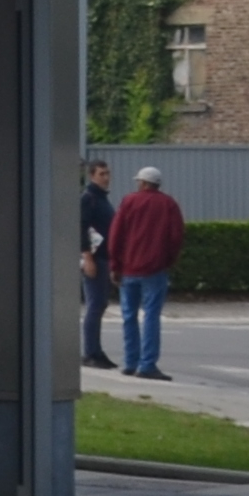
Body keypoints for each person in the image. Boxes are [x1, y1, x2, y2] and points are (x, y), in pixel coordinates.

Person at [104, 162, 187, 380]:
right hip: (155, 270)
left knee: (128, 316)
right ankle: (147, 364)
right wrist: (167, 261)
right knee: (151, 315)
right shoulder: (169, 204)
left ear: (142, 183)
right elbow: (176, 237)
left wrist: (115, 264)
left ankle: (130, 362)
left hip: (129, 269)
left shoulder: (129, 201)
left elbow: (116, 235)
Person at [79, 157, 117, 368]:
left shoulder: (102, 199)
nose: (106, 178)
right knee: (95, 305)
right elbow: (81, 227)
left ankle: (97, 350)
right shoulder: (89, 198)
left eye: (107, 173)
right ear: (92, 175)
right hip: (94, 258)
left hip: (104, 257)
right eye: (101, 174)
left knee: (100, 304)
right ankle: (91, 352)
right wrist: (87, 257)